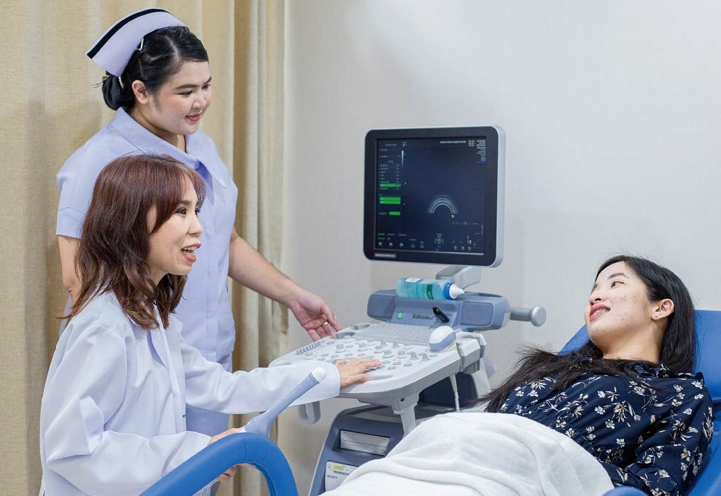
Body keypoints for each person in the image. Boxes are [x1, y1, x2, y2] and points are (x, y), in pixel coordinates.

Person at [56, 8, 340, 437]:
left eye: (206, 86)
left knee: (208, 466)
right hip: (143, 371)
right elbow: (79, 279)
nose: (201, 101)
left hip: (207, 361)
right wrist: (148, 355)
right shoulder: (97, 163)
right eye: (185, 91)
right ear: (141, 91)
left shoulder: (201, 146)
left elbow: (225, 240)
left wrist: (293, 297)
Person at [39, 154, 380, 496]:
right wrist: (198, 453)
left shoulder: (150, 315)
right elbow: (72, 451)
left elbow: (221, 387)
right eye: (181, 211)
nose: (198, 227)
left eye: (196, 211)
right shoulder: (103, 327)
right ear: (131, 221)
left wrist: (324, 377)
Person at [326, 256, 714, 496]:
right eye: (593, 289)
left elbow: (655, 486)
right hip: (435, 463)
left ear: (661, 308)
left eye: (615, 284)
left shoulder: (676, 391)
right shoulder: (552, 369)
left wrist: (571, 466)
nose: (595, 296)